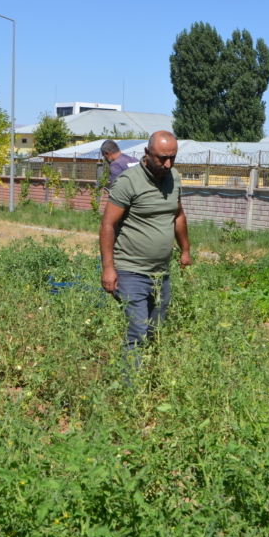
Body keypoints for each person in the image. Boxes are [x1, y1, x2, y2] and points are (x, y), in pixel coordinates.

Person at [99, 131, 191, 369]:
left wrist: (185, 251)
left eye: (173, 157)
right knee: (138, 330)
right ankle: (132, 392)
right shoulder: (129, 181)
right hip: (131, 271)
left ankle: (149, 379)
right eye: (162, 158)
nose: (168, 163)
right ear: (147, 154)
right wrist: (108, 268)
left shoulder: (174, 177)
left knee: (155, 330)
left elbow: (178, 215)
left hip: (161, 272)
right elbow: (108, 224)